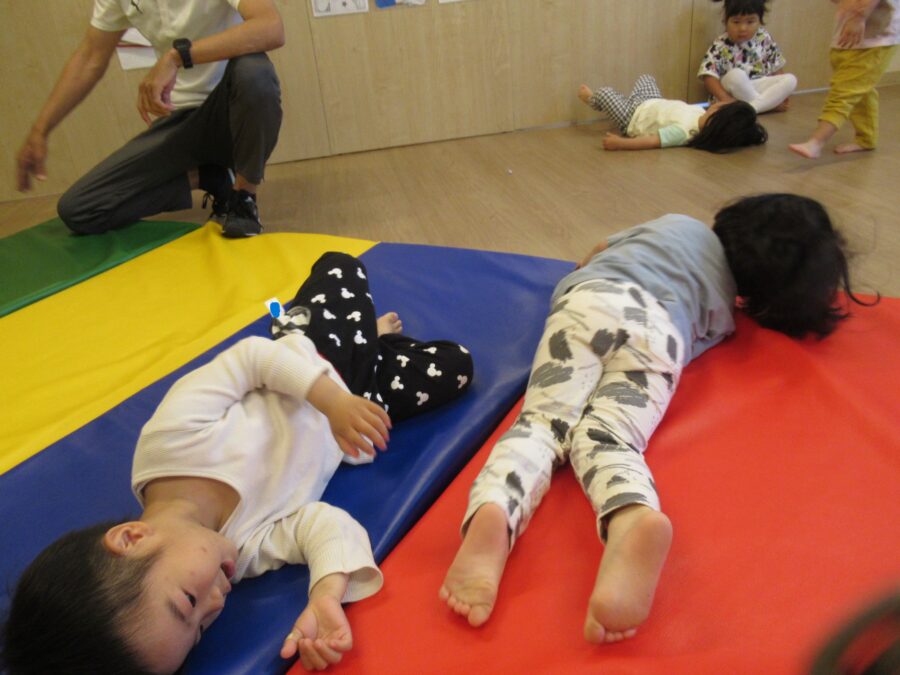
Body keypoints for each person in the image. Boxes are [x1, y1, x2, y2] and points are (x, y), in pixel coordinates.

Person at [3, 252, 474, 674]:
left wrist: (332, 401)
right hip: (360, 408)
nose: (214, 603)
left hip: (314, 358)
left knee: (341, 266)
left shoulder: (171, 439)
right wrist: (326, 593)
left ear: (132, 539)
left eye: (188, 602)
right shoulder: (242, 553)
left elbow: (250, 361)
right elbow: (322, 525)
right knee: (456, 366)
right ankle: (372, 344)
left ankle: (345, 332)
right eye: (201, 630)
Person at [439, 194, 874, 644]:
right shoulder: (724, 311)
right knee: (610, 438)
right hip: (660, 333)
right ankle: (630, 517)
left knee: (543, 424)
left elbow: (600, 250)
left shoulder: (679, 224)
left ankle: (495, 511)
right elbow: (686, 349)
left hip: (590, 302)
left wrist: (584, 272)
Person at [14, 0, 285, 238]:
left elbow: (270, 26)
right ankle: (211, 177)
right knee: (79, 209)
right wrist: (40, 130)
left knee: (255, 72)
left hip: (231, 109)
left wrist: (177, 56)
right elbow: (90, 58)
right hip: (179, 117)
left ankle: (243, 198)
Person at [789, 0, 899, 159]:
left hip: (875, 40)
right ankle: (866, 139)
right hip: (851, 38)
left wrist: (859, 17)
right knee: (860, 91)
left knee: (844, 93)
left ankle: (816, 142)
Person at [577, 74, 768, 152]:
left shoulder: (684, 132)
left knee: (606, 93)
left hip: (632, 117)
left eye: (721, 106)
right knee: (647, 78)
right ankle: (621, 100)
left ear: (716, 120)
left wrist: (621, 143)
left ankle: (593, 100)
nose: (718, 103)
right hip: (650, 101)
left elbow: (653, 141)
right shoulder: (700, 112)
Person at [698, 0, 797, 113]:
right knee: (736, 75)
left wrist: (780, 96)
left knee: (790, 79)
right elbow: (709, 77)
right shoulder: (720, 45)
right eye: (736, 22)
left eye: (750, 22)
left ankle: (751, 108)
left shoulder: (764, 38)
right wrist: (726, 99)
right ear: (725, 21)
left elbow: (777, 68)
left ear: (759, 21)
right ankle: (763, 106)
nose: (743, 28)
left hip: (756, 87)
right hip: (731, 92)